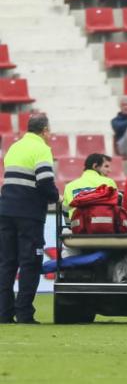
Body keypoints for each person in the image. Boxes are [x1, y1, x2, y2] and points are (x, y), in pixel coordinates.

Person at [0, 114, 60, 324]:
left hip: (6, 210)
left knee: (6, 263)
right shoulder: (41, 148)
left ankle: (4, 313)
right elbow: (44, 182)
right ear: (43, 130)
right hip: (29, 214)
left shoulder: (14, 147)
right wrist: (56, 197)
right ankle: (24, 313)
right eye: (49, 131)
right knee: (30, 262)